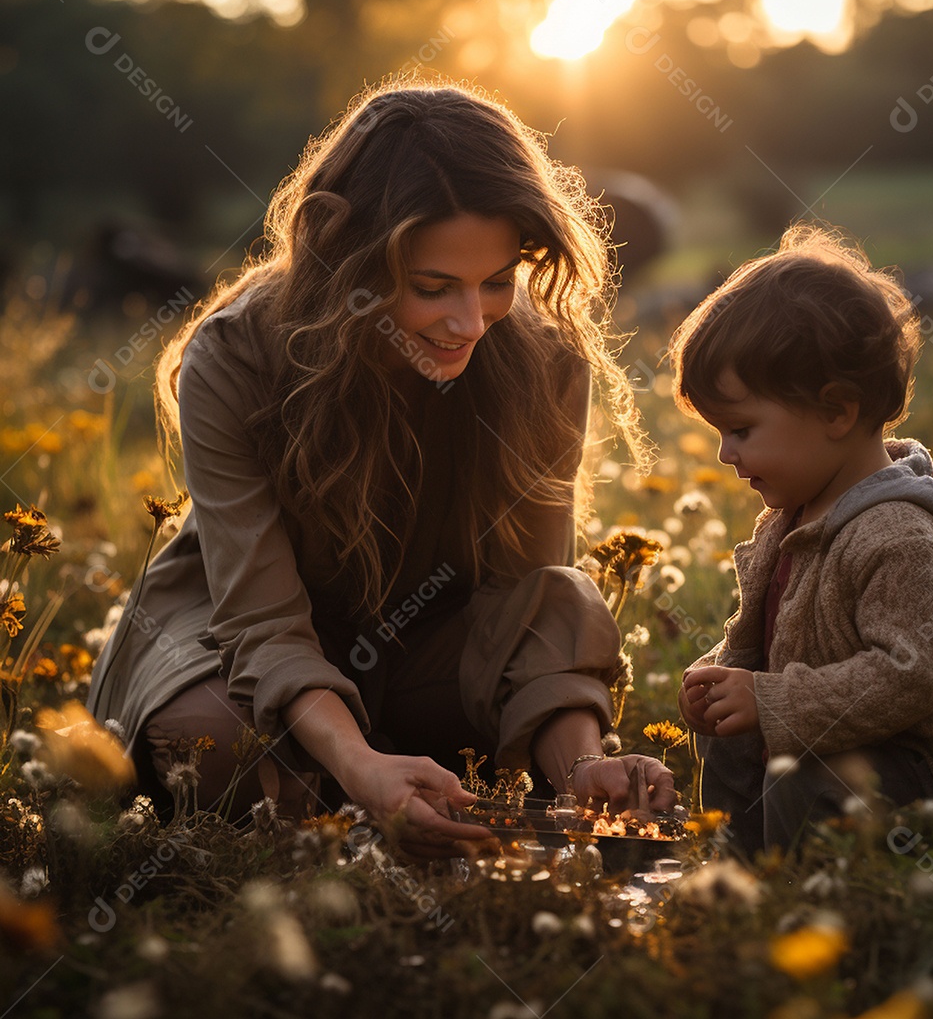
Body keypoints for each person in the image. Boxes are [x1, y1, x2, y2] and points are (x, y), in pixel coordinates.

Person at [88, 79, 675, 858]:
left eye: (498, 281)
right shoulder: (234, 354)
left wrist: (581, 767)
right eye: (433, 287)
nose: (471, 322)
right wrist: (358, 762)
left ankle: (378, 787)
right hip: (240, 642)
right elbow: (260, 621)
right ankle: (358, 780)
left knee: (558, 602)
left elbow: (532, 604)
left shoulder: (546, 359)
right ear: (345, 255)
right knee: (211, 747)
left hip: (430, 648)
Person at [671, 224, 933, 853]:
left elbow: (909, 677)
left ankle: (832, 905)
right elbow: (768, 637)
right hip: (836, 743)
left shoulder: (899, 535)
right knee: (735, 743)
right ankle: (745, 883)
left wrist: (770, 700)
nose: (724, 452)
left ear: (836, 411)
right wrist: (724, 676)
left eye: (741, 428)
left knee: (806, 778)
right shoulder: (788, 522)